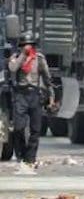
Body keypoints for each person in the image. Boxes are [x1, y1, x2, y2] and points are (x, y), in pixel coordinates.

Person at [8, 31, 55, 165]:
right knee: (18, 128)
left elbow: (47, 79)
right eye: (24, 45)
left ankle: (30, 157)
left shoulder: (39, 58)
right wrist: (23, 55)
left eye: (29, 45)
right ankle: (21, 154)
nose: (27, 47)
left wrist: (51, 96)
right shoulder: (16, 57)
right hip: (20, 94)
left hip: (35, 94)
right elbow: (13, 68)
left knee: (35, 129)